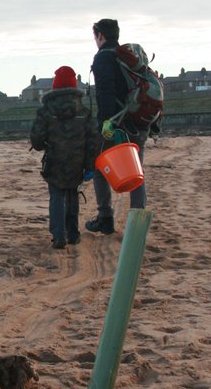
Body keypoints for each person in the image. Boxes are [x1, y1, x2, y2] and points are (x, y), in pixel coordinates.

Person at [88, 18, 148, 234]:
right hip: (139, 120)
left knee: (100, 167)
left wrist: (105, 122)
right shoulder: (129, 57)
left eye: (95, 36)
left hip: (116, 122)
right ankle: (137, 223)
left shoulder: (103, 58)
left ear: (100, 35)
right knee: (136, 170)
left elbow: (106, 93)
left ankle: (105, 218)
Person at [30, 66, 101, 249]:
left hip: (55, 159)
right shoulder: (83, 112)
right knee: (72, 194)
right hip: (77, 160)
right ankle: (73, 233)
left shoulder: (46, 111)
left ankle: (58, 234)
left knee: (56, 195)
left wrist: (44, 144)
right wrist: (90, 165)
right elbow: (93, 140)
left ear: (54, 87)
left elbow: (36, 140)